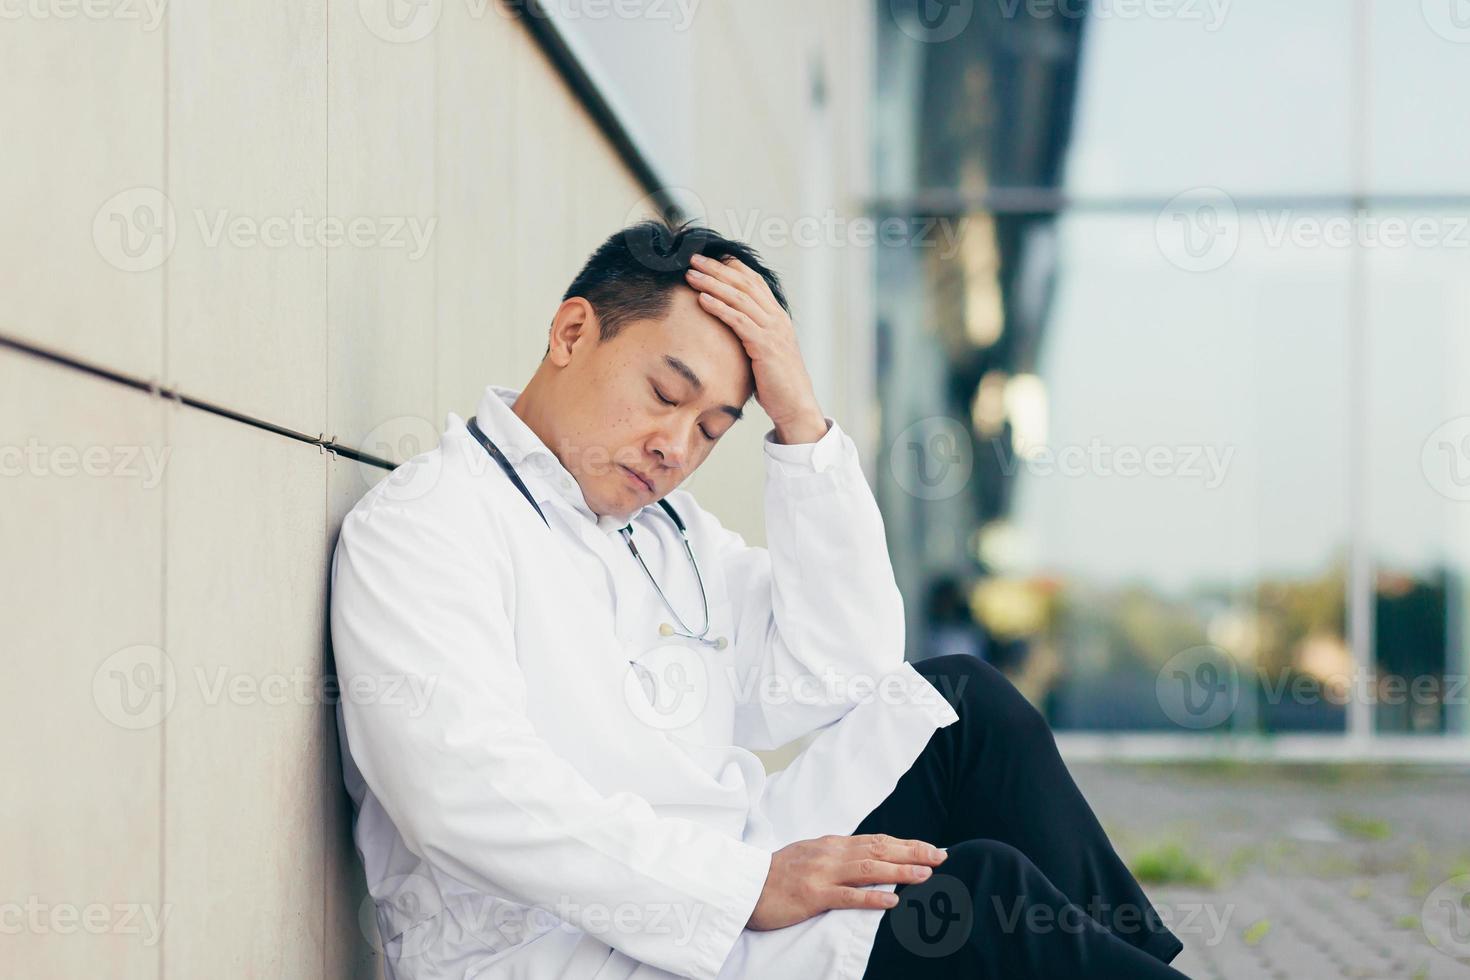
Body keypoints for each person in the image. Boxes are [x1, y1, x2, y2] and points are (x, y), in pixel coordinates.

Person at [328, 220, 1188, 979]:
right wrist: (746, 887)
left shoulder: (667, 533)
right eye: (666, 394)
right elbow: (464, 798)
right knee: (967, 898)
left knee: (963, 712)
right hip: (557, 948)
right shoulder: (430, 523)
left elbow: (841, 669)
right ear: (571, 331)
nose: (673, 446)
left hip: (721, 874)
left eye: (712, 428)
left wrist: (802, 423)